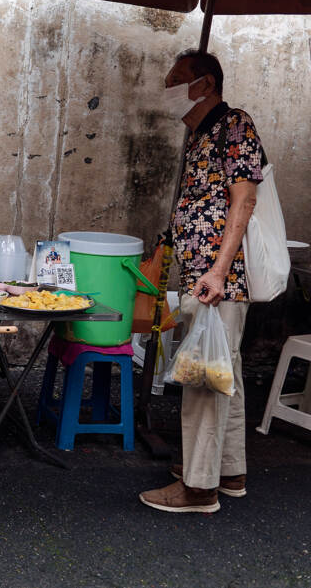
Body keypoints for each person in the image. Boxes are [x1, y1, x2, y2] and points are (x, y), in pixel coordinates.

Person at [140, 49, 264, 514]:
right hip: (207, 275)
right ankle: (228, 471)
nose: (168, 88)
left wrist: (216, 269)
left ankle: (198, 488)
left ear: (205, 84)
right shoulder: (202, 133)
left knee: (204, 379)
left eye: (177, 79)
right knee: (222, 368)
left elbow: (244, 201)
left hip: (220, 278)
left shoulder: (235, 126)